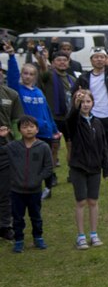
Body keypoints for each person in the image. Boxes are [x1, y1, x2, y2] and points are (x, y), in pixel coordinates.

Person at [71, 44, 108, 196]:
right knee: (89, 150)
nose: (99, 60)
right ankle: (86, 180)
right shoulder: (84, 78)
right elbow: (74, 94)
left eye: (102, 57)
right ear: (91, 60)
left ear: (106, 59)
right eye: (96, 57)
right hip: (90, 119)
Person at [5, 44, 60, 199]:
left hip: (45, 131)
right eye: (25, 73)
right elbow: (12, 76)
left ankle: (48, 188)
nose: (27, 76)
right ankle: (28, 188)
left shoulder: (39, 92)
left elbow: (46, 111)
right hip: (29, 132)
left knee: (46, 161)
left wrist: (54, 128)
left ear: (35, 76)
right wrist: (11, 56)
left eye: (31, 74)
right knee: (29, 163)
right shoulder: (18, 91)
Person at [66, 90, 108, 250]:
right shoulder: (75, 122)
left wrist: (106, 169)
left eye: (88, 101)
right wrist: (75, 106)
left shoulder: (98, 123)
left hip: (94, 168)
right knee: (81, 201)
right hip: (79, 166)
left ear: (93, 103)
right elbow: (69, 119)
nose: (85, 105)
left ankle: (93, 233)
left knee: (93, 201)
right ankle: (81, 236)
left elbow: (103, 147)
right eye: (82, 102)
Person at [1, 115, 53, 253]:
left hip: (35, 190)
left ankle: (38, 237)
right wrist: (2, 137)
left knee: (36, 216)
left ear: (37, 129)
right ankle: (19, 240)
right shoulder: (13, 147)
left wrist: (37, 179)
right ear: (19, 130)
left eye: (31, 127)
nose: (28, 130)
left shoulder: (43, 147)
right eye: (24, 127)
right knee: (17, 218)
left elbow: (48, 168)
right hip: (16, 191)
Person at [36, 50, 76, 168]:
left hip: (69, 118)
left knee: (71, 145)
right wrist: (42, 59)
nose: (62, 63)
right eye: (59, 60)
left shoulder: (72, 79)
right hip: (54, 118)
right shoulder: (48, 76)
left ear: (68, 62)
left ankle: (72, 172)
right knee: (54, 147)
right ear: (53, 63)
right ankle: (51, 174)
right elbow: (43, 69)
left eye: (64, 60)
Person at [0, 76, 23, 241]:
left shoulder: (11, 94)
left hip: (5, 148)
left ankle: (4, 226)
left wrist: (19, 144)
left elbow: (16, 121)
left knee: (5, 190)